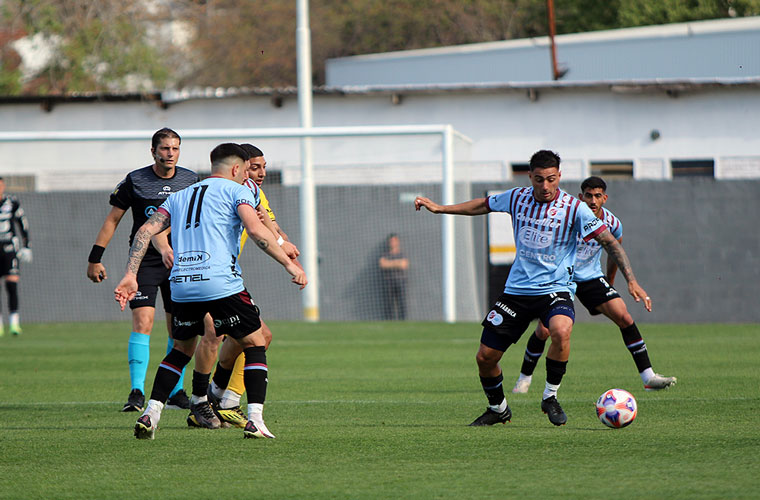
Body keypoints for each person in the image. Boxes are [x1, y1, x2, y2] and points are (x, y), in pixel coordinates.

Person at [414, 150, 652, 427]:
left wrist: (631, 280)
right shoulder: (517, 197)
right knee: (485, 357)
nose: (546, 186)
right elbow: (483, 205)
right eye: (539, 180)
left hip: (556, 289)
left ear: (559, 176)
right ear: (530, 177)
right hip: (516, 291)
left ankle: (550, 396)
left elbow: (610, 243)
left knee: (561, 330)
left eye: (551, 179)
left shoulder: (575, 208)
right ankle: (498, 408)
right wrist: (441, 207)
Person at [115, 143, 307, 440]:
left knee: (180, 351)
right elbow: (256, 232)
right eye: (245, 169)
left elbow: (144, 231)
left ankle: (151, 413)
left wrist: (130, 274)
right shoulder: (238, 191)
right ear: (235, 169)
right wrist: (289, 265)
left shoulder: (179, 196)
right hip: (220, 282)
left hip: (181, 284)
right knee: (256, 342)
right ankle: (253, 417)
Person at [511, 176, 676, 393]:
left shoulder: (613, 223)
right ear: (581, 197)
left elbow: (614, 249)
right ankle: (525, 378)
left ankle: (648, 377)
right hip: (560, 278)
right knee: (544, 330)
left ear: (604, 198)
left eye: (597, 196)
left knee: (624, 316)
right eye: (588, 195)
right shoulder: (570, 215)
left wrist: (612, 280)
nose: (593, 200)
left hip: (589, 277)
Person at [186, 143, 301, 429]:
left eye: (264, 167)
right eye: (255, 167)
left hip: (228, 276)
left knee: (255, 336)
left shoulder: (253, 193)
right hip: (204, 273)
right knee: (214, 335)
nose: (261, 173)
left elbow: (270, 226)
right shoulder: (223, 190)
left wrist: (284, 244)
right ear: (238, 167)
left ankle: (221, 399)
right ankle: (202, 401)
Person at [87, 128, 196, 412]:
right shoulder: (135, 180)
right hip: (144, 262)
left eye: (175, 149)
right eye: (164, 149)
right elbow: (112, 220)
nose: (170, 154)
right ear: (153, 151)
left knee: (179, 328)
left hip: (179, 261)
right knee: (143, 323)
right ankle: (136, 392)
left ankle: (176, 390)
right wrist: (95, 257)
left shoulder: (190, 180)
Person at [0, 177, 31, 336]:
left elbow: (22, 223)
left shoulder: (11, 203)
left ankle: (14, 323)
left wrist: (26, 246)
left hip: (9, 249)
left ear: (3, 185)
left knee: (11, 285)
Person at [378, 233, 409, 320]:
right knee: (388, 303)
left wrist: (390, 263)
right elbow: (382, 264)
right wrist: (397, 263)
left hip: (400, 282)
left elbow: (404, 264)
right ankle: (389, 321)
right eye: (391, 241)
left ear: (397, 242)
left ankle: (403, 321)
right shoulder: (385, 254)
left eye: (394, 241)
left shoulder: (402, 254)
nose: (393, 243)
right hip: (388, 282)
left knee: (402, 303)